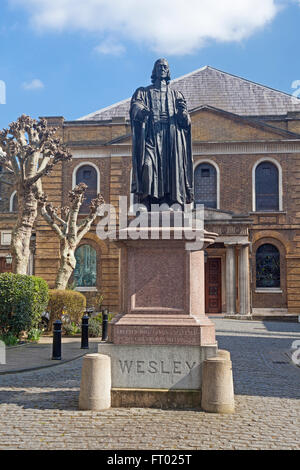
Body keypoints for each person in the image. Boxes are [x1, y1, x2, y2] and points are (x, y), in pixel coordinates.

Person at [130, 58, 194, 211]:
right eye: (159, 66)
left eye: (165, 66)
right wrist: (140, 110)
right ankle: (146, 202)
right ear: (154, 70)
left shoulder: (176, 95)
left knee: (172, 170)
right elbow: (135, 106)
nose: (162, 68)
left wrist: (182, 113)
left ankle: (172, 203)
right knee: (147, 166)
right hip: (151, 136)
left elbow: (186, 123)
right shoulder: (143, 92)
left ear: (168, 71)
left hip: (171, 137)